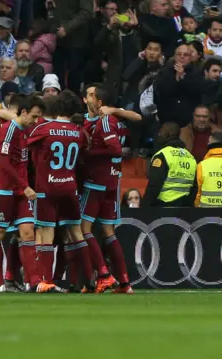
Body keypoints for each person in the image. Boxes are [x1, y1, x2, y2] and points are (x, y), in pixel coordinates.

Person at [28, 91, 112, 293]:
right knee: (76, 232)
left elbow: (25, 145)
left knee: (46, 232)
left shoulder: (43, 129)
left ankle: (46, 281)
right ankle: (89, 280)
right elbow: (84, 155)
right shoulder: (78, 131)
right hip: (70, 186)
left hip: (47, 187)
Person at [0, 94, 53, 295]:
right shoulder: (9, 131)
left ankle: (35, 282)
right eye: (34, 117)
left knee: (27, 232)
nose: (35, 121)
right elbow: (5, 164)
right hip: (4, 190)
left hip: (20, 191)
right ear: (23, 112)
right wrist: (24, 186)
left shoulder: (24, 131)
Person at [81, 85, 132, 294]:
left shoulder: (104, 121)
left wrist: (90, 151)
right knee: (108, 231)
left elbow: (115, 149)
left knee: (84, 229)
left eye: (94, 96)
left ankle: (104, 275)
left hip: (97, 181)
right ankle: (125, 282)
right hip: (112, 181)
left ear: (100, 102)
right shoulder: (116, 122)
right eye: (89, 95)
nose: (91, 99)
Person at [144, 122, 197, 207]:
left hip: (164, 206)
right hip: (185, 208)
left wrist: (145, 206)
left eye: (161, 132)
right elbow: (194, 187)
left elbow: (154, 185)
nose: (159, 134)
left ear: (168, 134)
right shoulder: (190, 157)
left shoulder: (162, 155)